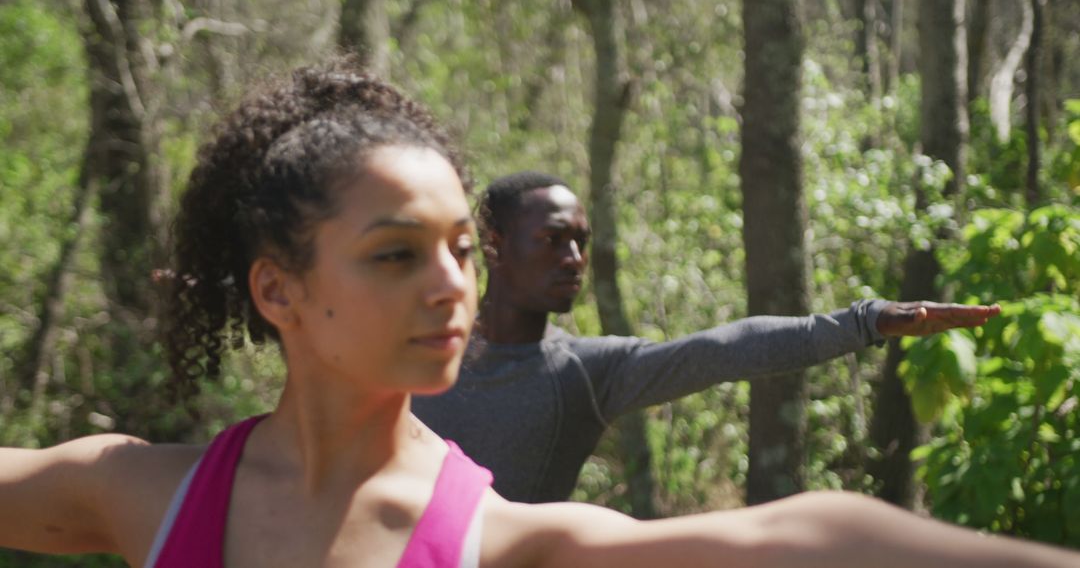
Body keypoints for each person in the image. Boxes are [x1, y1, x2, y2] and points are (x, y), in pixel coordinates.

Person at [1, 60, 1074, 568]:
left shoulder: (507, 528)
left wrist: (870, 319)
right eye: (397, 254)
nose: (448, 284)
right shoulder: (142, 492)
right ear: (276, 288)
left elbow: (807, 524)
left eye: (459, 250)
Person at [412, 171, 1002, 503]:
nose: (573, 259)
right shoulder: (408, 347)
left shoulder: (585, 373)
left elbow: (726, 349)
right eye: (552, 239)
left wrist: (866, 321)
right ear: (492, 244)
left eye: (581, 242)